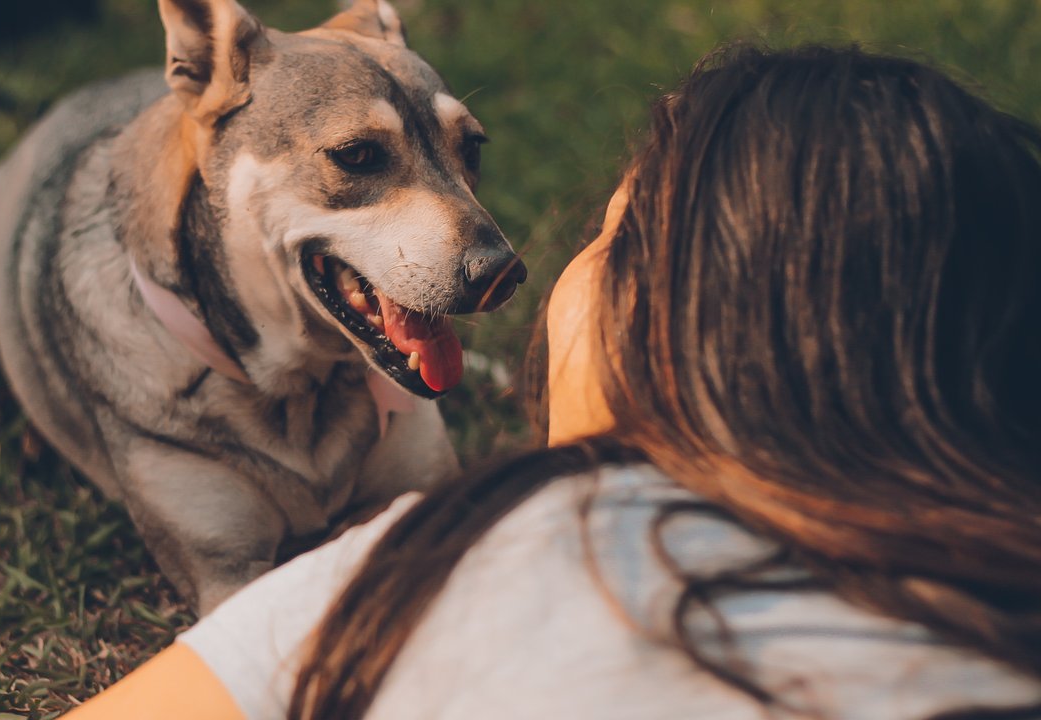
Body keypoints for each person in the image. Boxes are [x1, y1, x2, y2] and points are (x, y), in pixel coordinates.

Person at [62, 44, 1041, 719]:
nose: (529, 263)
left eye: (610, 237)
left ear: (706, 333)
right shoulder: (998, 589)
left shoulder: (474, 550)